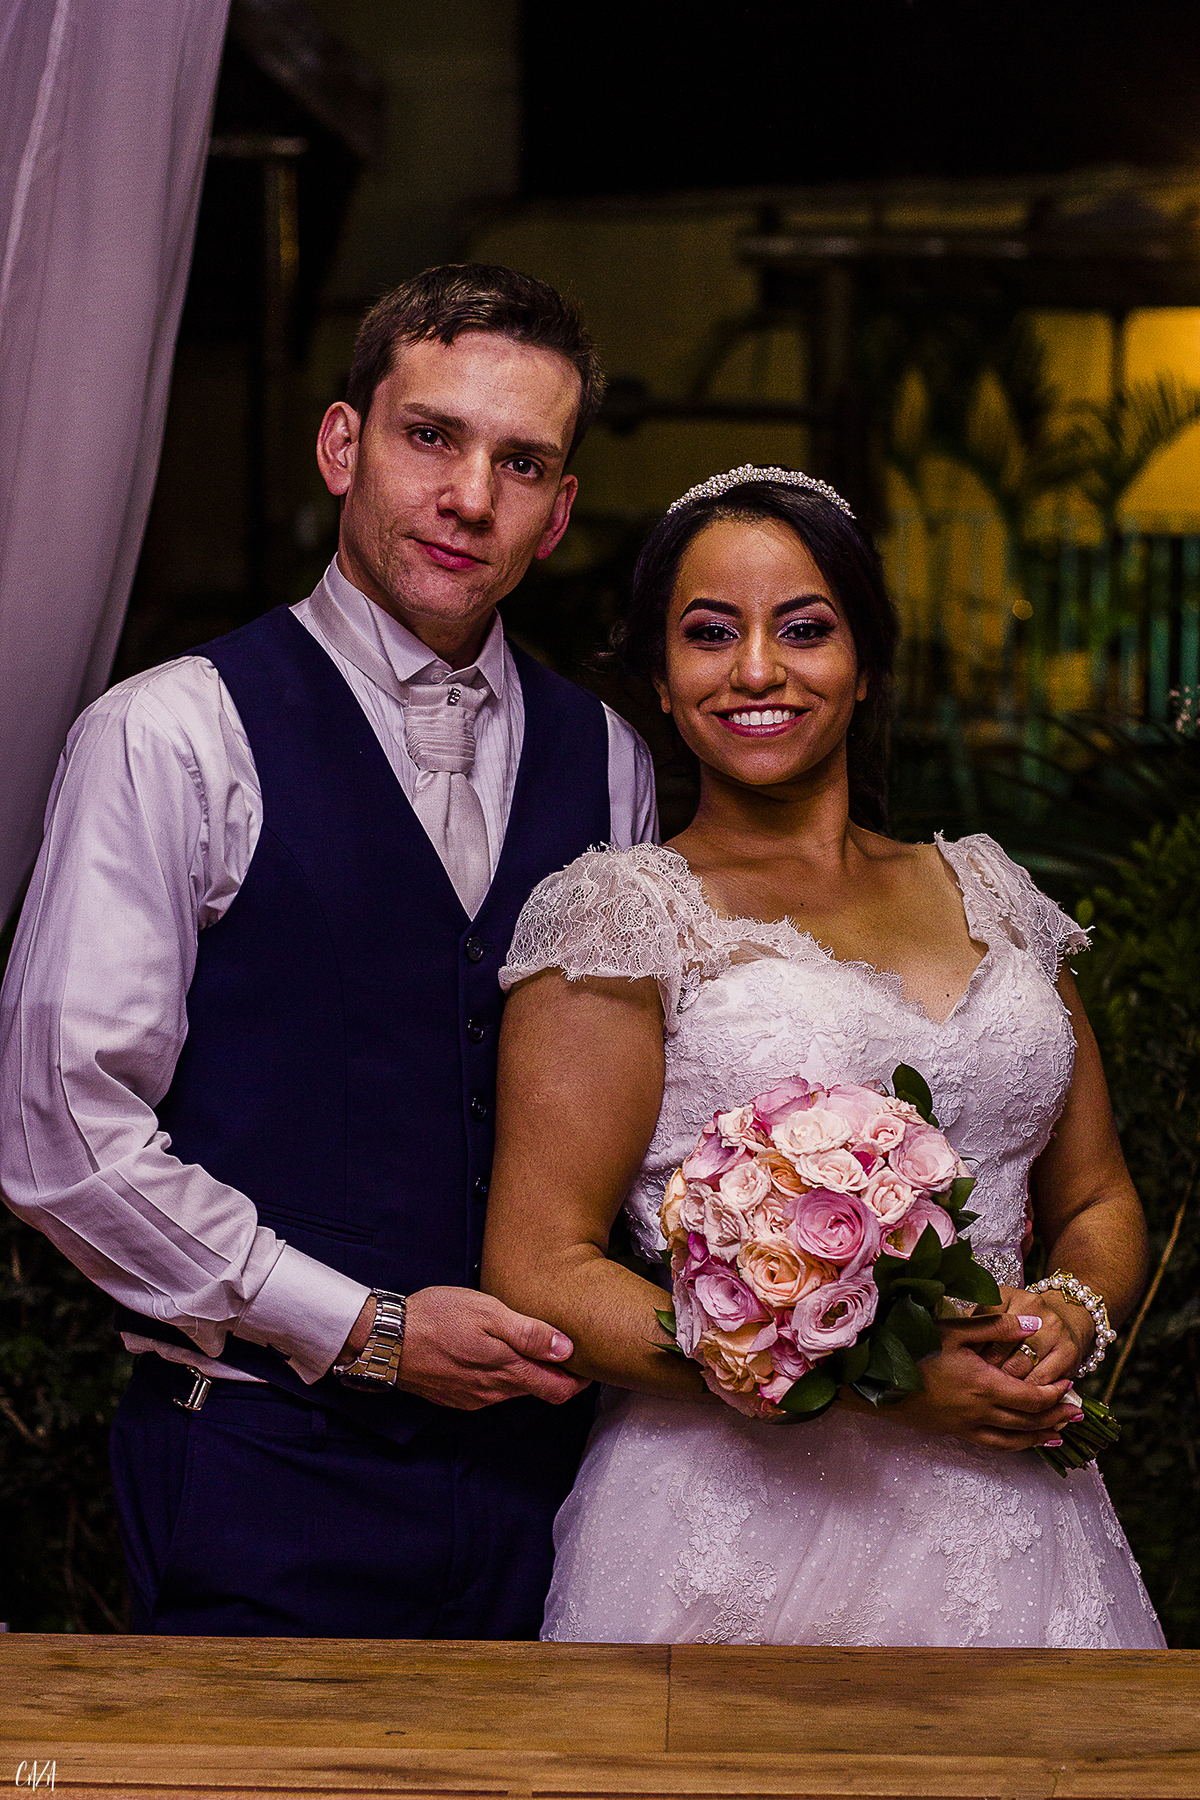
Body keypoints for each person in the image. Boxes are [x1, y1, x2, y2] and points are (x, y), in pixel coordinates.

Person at [0, 263, 658, 1638]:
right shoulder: (172, 732)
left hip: (549, 1483)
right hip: (259, 1469)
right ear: (342, 443)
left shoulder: (608, 763)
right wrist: (364, 1328)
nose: (471, 496)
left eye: (521, 462)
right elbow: (63, 1134)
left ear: (558, 514)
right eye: (433, 437)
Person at [481, 464, 1165, 1647]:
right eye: (709, 634)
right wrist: (877, 1381)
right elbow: (539, 1267)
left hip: (1013, 1520)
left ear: (865, 665)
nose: (757, 670)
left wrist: (1069, 1311)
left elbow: (1096, 1193)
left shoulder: (990, 889)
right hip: (728, 1527)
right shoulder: (623, 916)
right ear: (659, 674)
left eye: (805, 629)